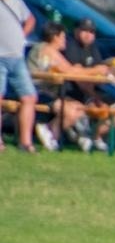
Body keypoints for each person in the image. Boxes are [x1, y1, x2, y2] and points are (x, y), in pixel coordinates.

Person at [26, 22, 90, 152]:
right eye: (63, 37)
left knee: (79, 108)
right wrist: (98, 70)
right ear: (55, 37)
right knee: (70, 112)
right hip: (37, 93)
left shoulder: (44, 48)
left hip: (48, 93)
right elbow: (70, 71)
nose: (65, 40)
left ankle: (58, 135)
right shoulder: (48, 49)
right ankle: (50, 131)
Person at [0, 0, 39, 152]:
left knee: (29, 96)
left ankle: (26, 142)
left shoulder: (17, 2)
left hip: (17, 57)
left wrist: (22, 35)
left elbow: (30, 20)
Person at [62, 18, 114, 153]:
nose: (88, 34)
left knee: (113, 106)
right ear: (76, 31)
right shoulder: (70, 45)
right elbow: (76, 74)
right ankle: (83, 136)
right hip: (70, 93)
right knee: (95, 106)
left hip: (88, 92)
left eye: (91, 32)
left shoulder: (93, 48)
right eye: (84, 30)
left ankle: (96, 137)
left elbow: (100, 71)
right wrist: (94, 94)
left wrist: (108, 72)